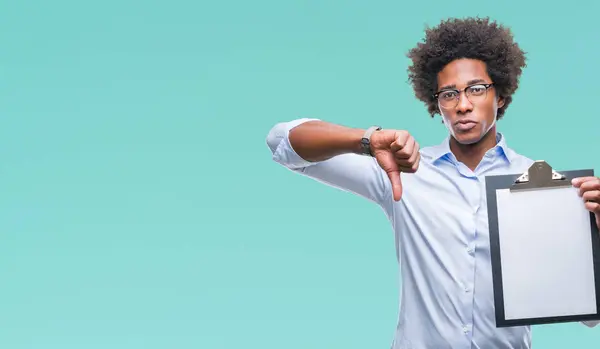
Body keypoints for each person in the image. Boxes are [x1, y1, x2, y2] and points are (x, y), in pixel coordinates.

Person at [265, 17, 600, 348]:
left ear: (500, 96)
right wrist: (366, 139)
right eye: (449, 94)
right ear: (436, 104)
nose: (463, 105)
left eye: (477, 89)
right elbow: (281, 143)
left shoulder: (541, 185)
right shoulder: (403, 170)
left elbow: (588, 314)